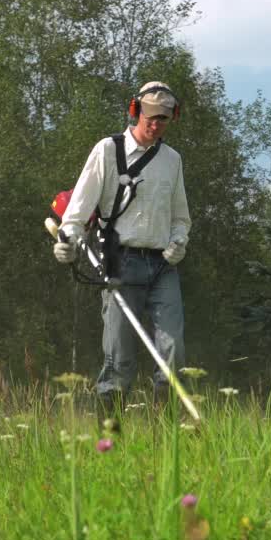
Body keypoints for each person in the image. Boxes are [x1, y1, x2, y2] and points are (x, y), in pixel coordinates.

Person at [53, 82, 191, 410]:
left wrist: (179, 241)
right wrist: (67, 242)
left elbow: (181, 217)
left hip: (162, 266)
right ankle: (110, 438)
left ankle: (169, 438)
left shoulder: (172, 160)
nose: (156, 124)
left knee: (173, 355)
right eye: (150, 117)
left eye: (164, 119)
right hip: (120, 262)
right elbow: (79, 207)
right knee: (119, 360)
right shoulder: (107, 151)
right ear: (135, 111)